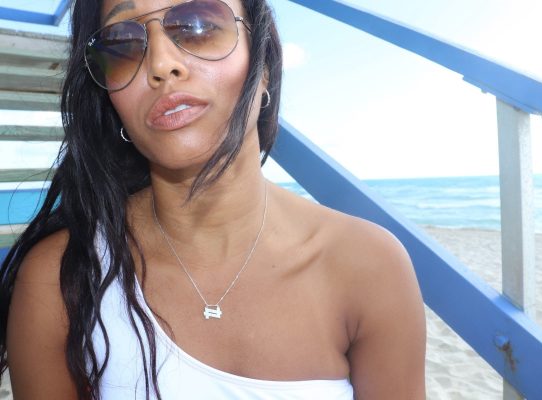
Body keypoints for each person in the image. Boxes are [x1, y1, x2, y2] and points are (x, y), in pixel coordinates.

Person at [0, 0, 426, 398]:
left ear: (261, 67)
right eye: (122, 44)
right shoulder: (58, 281)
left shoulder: (369, 266)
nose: (162, 64)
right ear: (110, 99)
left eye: (199, 25)